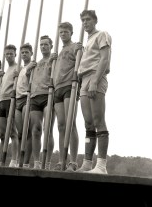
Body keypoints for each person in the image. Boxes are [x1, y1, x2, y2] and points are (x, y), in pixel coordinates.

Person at [76, 10, 112, 174]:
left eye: (88, 19)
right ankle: (87, 163)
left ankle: (101, 165)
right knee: (88, 123)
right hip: (84, 80)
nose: (85, 22)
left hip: (95, 77)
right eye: (83, 20)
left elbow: (104, 59)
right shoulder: (87, 41)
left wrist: (95, 81)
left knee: (98, 121)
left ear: (95, 20)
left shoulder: (102, 35)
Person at [51, 22, 82, 172]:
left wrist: (80, 49)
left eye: (65, 32)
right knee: (61, 125)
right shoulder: (59, 52)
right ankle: (61, 161)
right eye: (61, 32)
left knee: (71, 123)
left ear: (71, 32)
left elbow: (81, 63)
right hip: (58, 88)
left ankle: (73, 162)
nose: (63, 34)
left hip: (70, 86)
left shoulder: (75, 46)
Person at [27, 35, 55, 170]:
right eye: (41, 45)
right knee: (35, 130)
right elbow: (29, 82)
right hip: (35, 96)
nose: (43, 47)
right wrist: (28, 71)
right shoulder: (35, 63)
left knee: (47, 128)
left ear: (51, 46)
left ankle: (47, 162)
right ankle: (37, 162)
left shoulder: (54, 59)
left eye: (46, 44)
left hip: (48, 95)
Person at [0, 45, 19, 167]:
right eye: (7, 54)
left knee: (12, 132)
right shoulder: (4, 72)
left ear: (15, 54)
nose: (9, 56)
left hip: (11, 101)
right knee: (2, 134)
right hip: (2, 102)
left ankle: (14, 160)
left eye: (11, 53)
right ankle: (1, 160)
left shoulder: (17, 67)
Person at [14, 43, 33, 168]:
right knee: (20, 133)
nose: (24, 54)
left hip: (27, 98)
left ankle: (26, 162)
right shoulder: (20, 68)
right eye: (22, 52)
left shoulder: (33, 65)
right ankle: (19, 161)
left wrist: (29, 72)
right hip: (17, 100)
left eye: (26, 52)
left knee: (28, 132)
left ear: (31, 53)